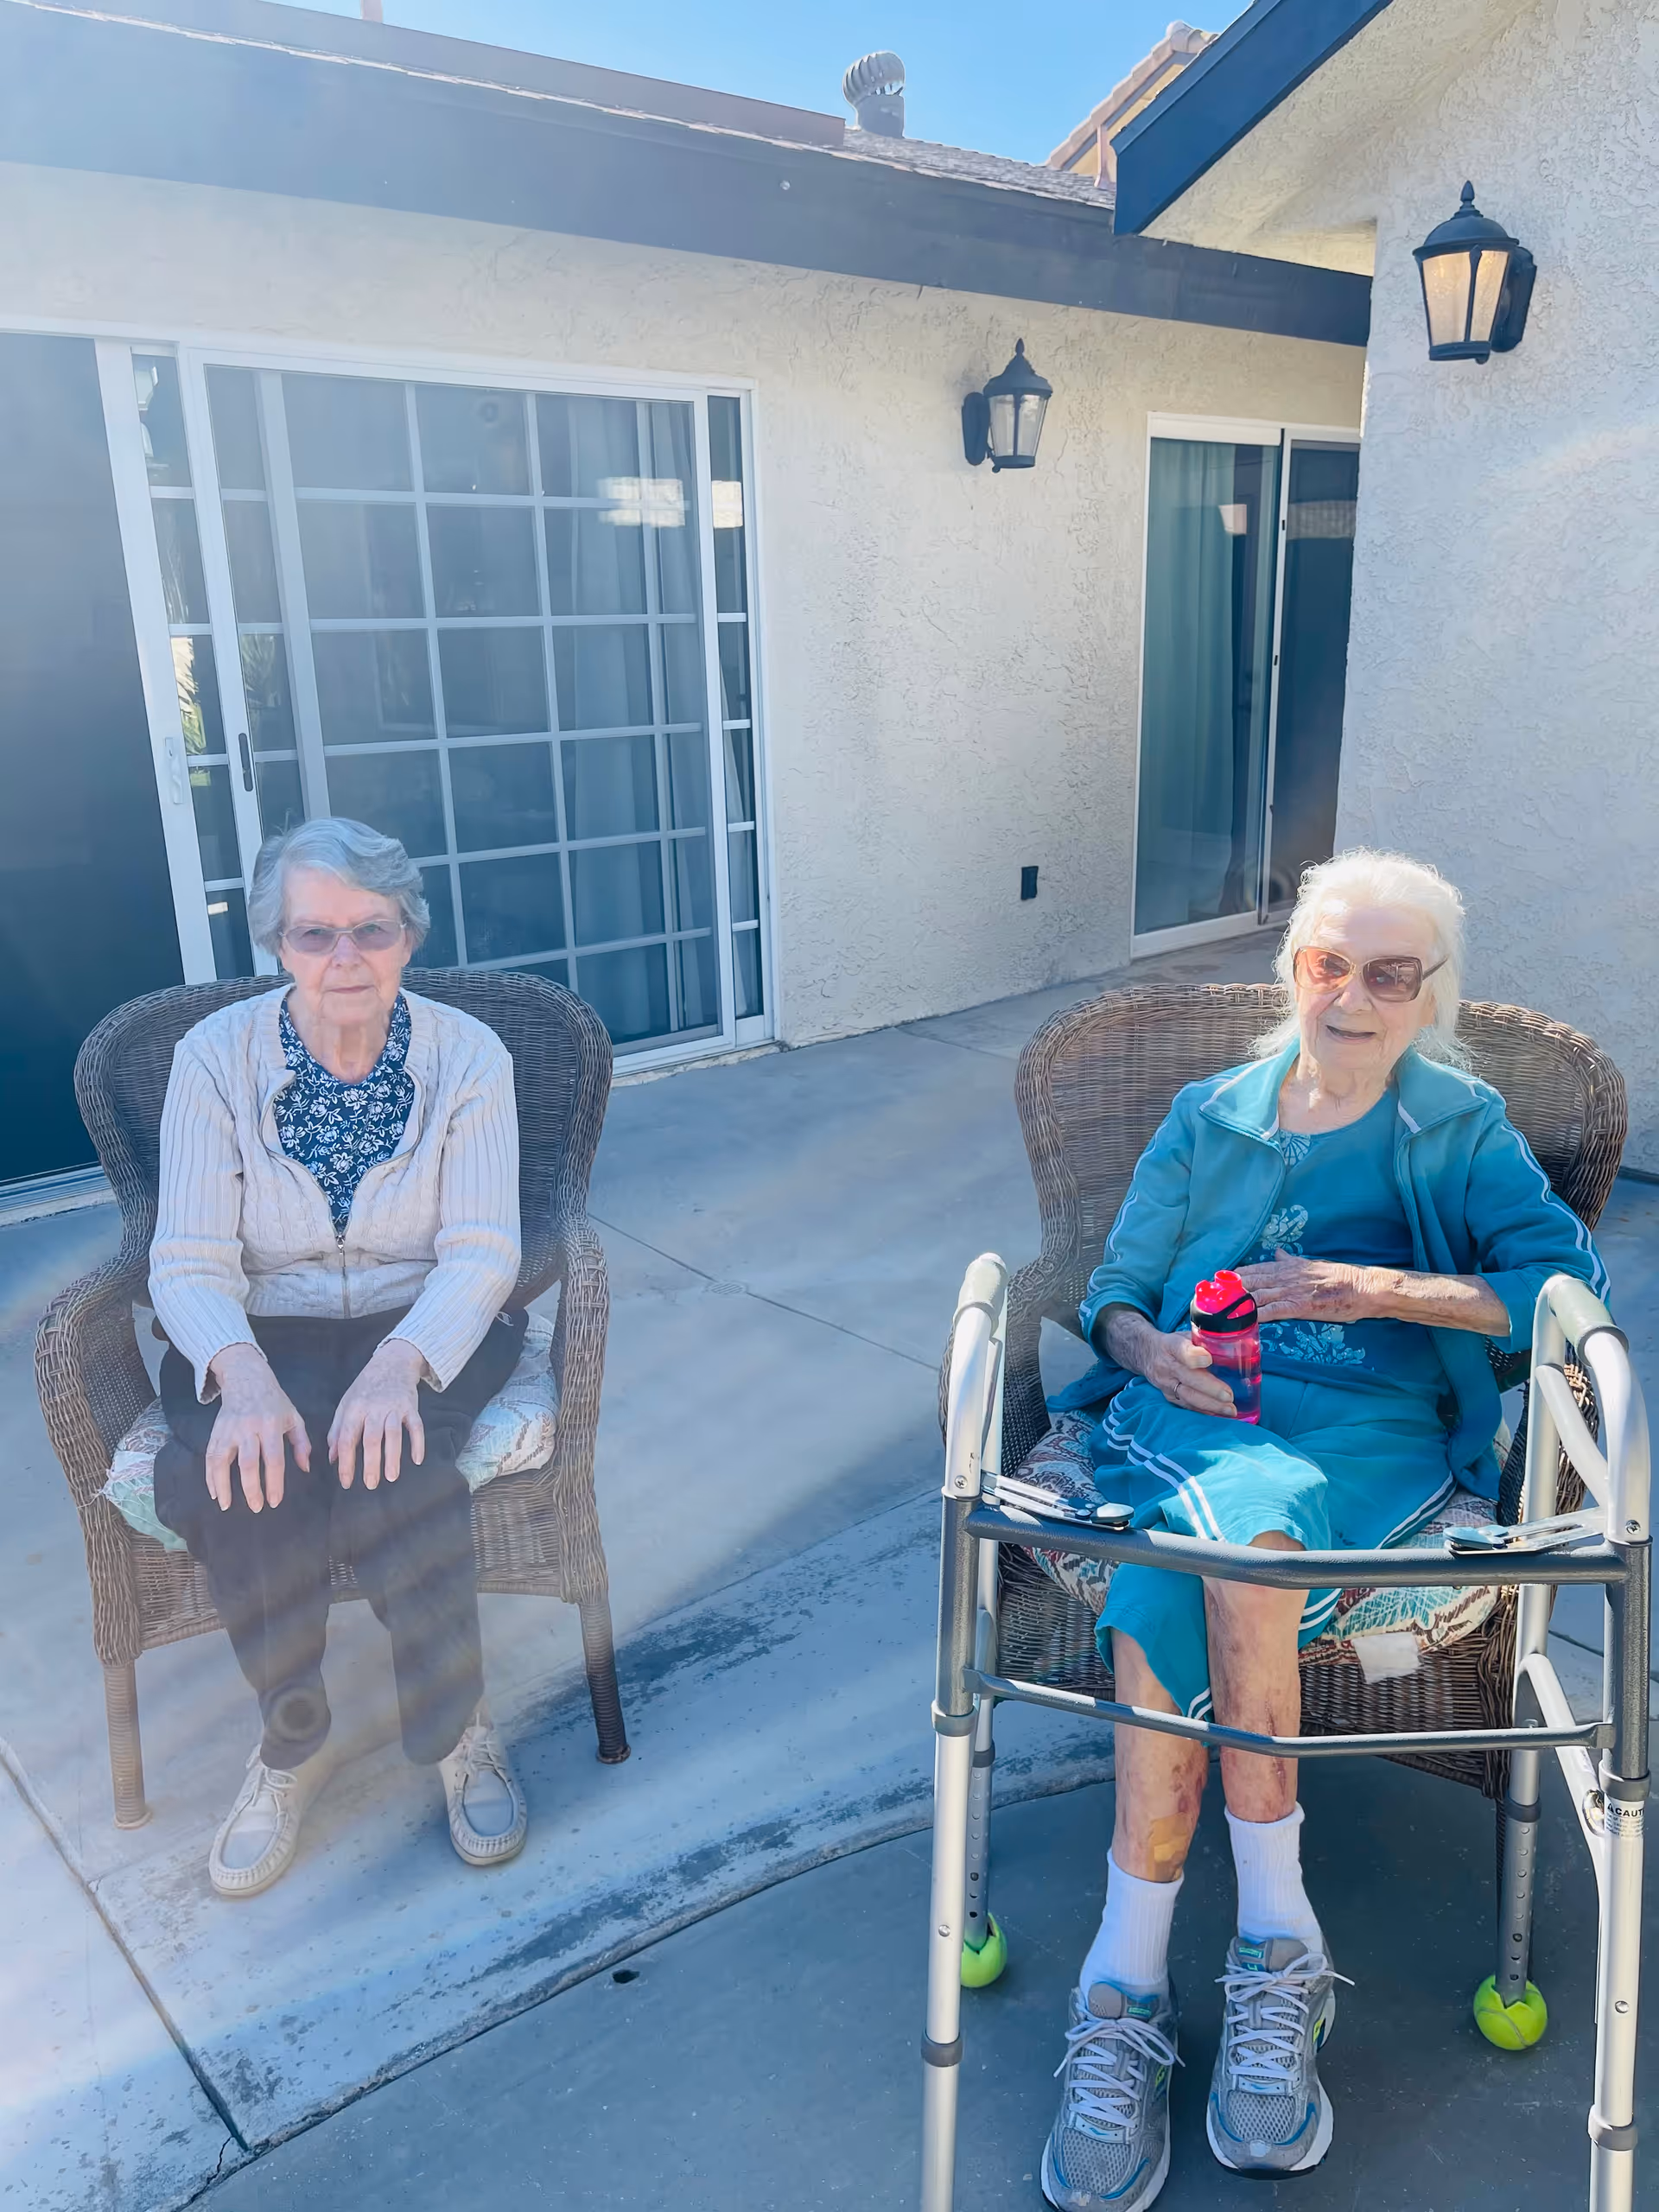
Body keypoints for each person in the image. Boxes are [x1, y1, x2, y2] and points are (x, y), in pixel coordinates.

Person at [1040, 849, 1610, 2210]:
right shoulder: (1207, 1114)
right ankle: (1275, 1945)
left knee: (1196, 1573)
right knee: (1245, 1523)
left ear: (1428, 995)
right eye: (1327, 964)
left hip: (1370, 1434)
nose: (1351, 996)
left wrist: (1377, 1286)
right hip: (1201, 1414)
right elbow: (1110, 1289)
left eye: (1389, 973)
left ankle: (1125, 1978)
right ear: (1293, 969)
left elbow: (1563, 1284)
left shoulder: (1457, 1125)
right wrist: (1143, 1347)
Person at [150, 817, 531, 1898]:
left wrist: (402, 1362)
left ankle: (456, 1730)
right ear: (276, 944)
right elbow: (184, 1256)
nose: (345, 958)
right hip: (263, 1320)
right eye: (315, 934)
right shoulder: (213, 1060)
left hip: (423, 1314)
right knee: (246, 1476)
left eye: (372, 929)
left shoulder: (470, 1057)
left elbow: (483, 1249)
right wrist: (242, 1374)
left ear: (410, 936)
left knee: (400, 1470)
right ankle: (293, 1740)